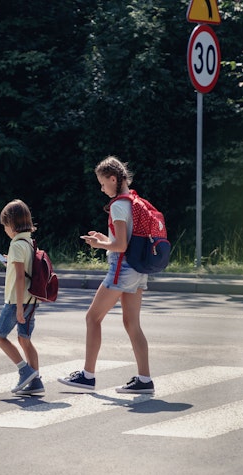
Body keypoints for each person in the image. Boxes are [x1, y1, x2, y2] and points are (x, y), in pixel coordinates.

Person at [58, 156, 154, 394]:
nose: (102, 189)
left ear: (113, 179)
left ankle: (87, 376)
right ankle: (144, 380)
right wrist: (104, 238)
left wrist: (98, 244)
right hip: (138, 269)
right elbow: (125, 240)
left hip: (122, 269)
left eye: (102, 183)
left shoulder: (119, 205)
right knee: (132, 324)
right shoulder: (134, 200)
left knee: (92, 318)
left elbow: (120, 246)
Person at [0, 199, 43, 396]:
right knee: (25, 339)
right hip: (32, 299)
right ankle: (36, 383)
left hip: (17, 301)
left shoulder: (16, 245)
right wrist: (10, 263)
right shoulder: (29, 242)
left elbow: (21, 277)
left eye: (5, 225)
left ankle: (25, 371)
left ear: (12, 224)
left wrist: (19, 307)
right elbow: (25, 269)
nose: (5, 229)